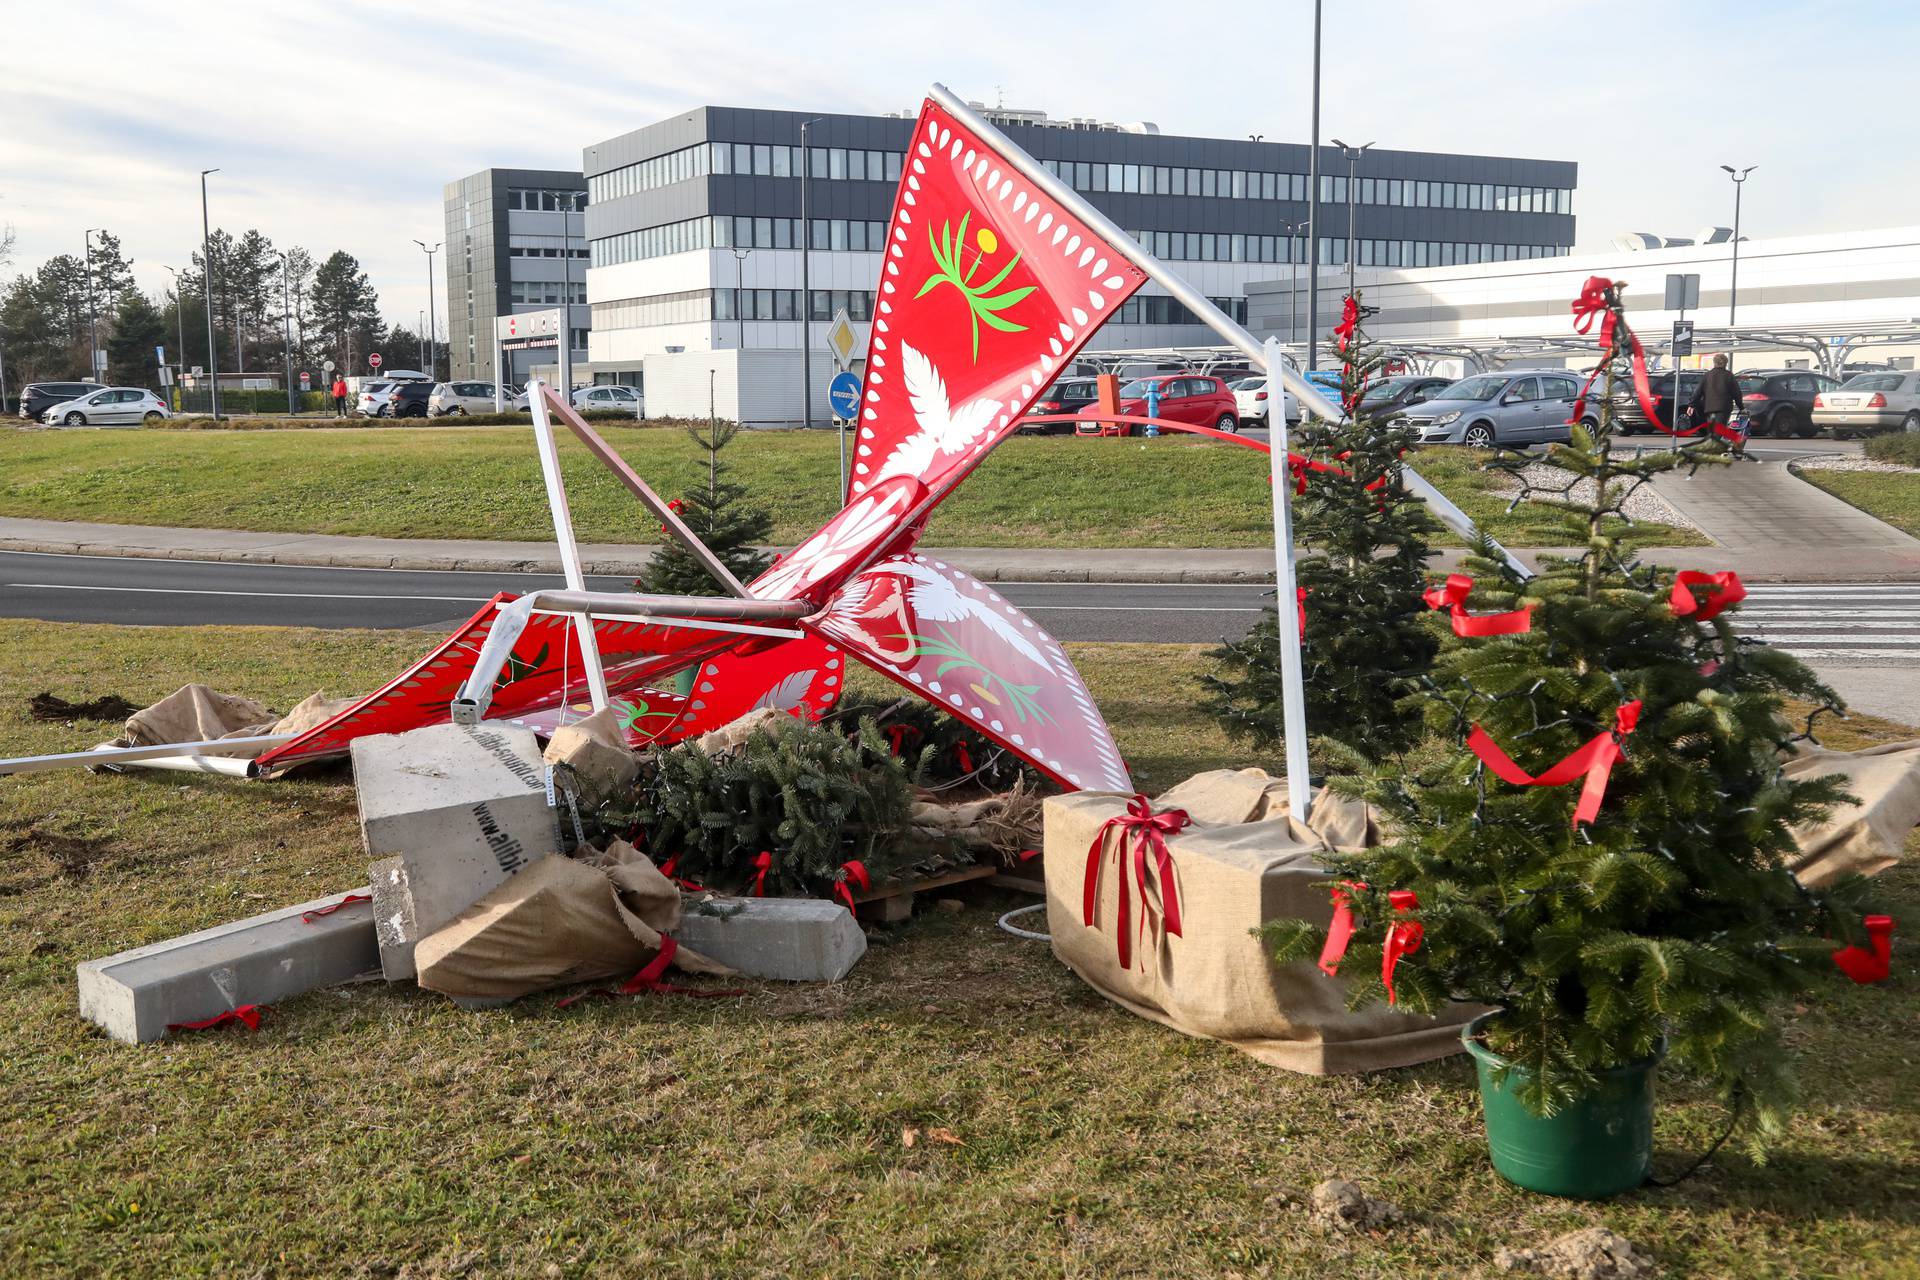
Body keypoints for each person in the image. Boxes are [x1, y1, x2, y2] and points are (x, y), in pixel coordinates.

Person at [1689, 354, 1745, 454]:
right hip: (1723, 407)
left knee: (1713, 430)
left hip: (1709, 408)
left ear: (1714, 363)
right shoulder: (1728, 375)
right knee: (1718, 430)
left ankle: (1712, 450)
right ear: (1725, 363)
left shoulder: (1707, 375)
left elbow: (1698, 391)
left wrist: (1692, 405)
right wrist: (1741, 407)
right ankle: (1714, 451)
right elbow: (1736, 393)